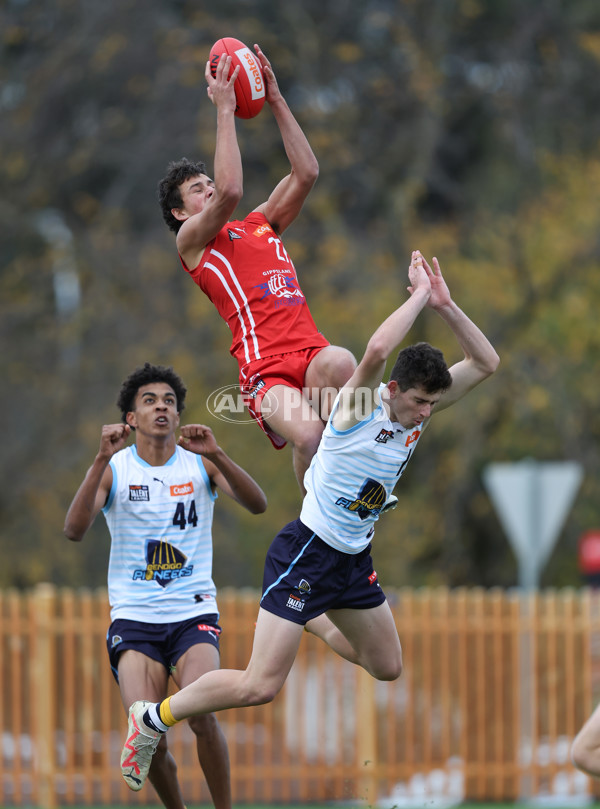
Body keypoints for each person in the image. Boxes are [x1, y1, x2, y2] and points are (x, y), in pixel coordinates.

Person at [117, 251, 500, 792]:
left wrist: (445, 303)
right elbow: (376, 349)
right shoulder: (356, 408)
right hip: (307, 551)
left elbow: (486, 364)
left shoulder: (419, 414)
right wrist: (416, 296)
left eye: (432, 405)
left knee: (386, 665)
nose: (424, 415)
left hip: (352, 558)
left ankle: (315, 618)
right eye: (417, 402)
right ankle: (153, 718)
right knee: (259, 685)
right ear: (391, 390)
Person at [64, 362, 267, 808]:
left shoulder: (199, 464)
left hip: (193, 613)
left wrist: (218, 455)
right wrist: (98, 458)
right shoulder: (116, 468)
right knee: (146, 732)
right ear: (130, 419)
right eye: (150, 401)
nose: (162, 407)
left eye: (170, 402)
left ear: (178, 417)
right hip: (134, 619)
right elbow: (74, 530)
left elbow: (258, 505)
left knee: (202, 717)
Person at [157, 44, 356, 492]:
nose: (208, 190)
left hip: (310, 353)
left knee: (344, 363)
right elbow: (230, 189)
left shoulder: (260, 224)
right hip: (265, 371)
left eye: (207, 182)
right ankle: (316, 527)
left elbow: (306, 171)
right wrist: (225, 109)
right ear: (180, 214)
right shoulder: (193, 243)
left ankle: (359, 478)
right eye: (196, 190)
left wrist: (276, 99)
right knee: (309, 435)